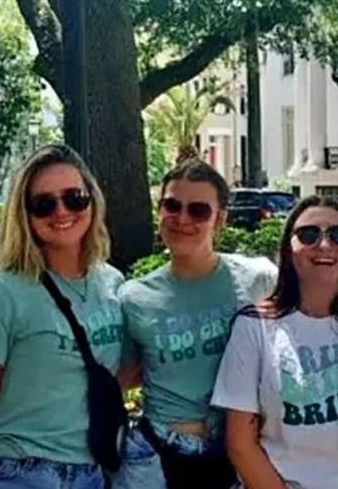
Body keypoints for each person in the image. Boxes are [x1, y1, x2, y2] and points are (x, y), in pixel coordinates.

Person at [0, 144, 132, 489]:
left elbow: (118, 374)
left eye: (74, 197)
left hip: (92, 473)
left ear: (92, 200)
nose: (61, 211)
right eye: (44, 203)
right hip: (18, 473)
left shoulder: (112, 283)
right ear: (24, 214)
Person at [211, 196, 338, 489]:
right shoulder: (254, 327)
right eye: (309, 234)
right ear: (289, 251)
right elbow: (241, 444)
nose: (325, 244)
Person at [119, 159, 278, 489]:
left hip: (237, 452)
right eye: (172, 206)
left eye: (199, 211)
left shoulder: (259, 280)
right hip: (156, 458)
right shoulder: (134, 297)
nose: (182, 219)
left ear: (220, 220)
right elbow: (124, 375)